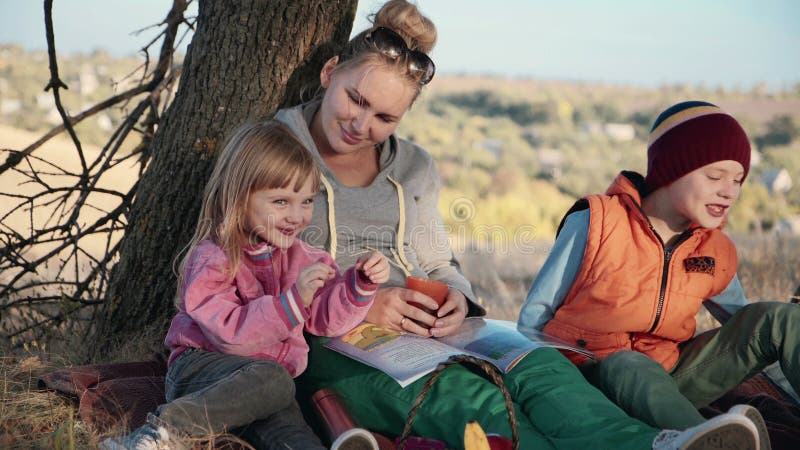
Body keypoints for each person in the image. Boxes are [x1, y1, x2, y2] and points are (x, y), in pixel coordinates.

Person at [275, 1, 766, 447]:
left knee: (541, 367)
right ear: (330, 72)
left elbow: (436, 259)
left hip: (429, 330)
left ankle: (655, 444)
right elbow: (251, 265)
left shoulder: (413, 167)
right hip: (333, 338)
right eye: (356, 100)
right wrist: (360, 302)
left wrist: (456, 299)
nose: (362, 125)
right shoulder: (274, 152)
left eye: (385, 116)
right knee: (472, 396)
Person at [519, 100, 800, 448]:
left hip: (672, 378)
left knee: (780, 319)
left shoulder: (713, 248)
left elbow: (744, 325)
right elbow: (533, 321)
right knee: (628, 364)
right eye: (714, 176)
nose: (729, 191)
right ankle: (712, 441)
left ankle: (708, 430)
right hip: (594, 382)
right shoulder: (597, 222)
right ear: (671, 170)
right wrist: (552, 394)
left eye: (738, 180)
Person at [100, 121, 389, 450]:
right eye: (281, 202)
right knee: (275, 380)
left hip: (266, 389)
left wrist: (358, 285)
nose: (297, 216)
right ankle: (159, 435)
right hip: (203, 370)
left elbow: (325, 319)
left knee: (294, 435)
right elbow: (228, 334)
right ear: (239, 199)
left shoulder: (304, 258)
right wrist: (292, 302)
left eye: (307, 201)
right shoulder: (214, 258)